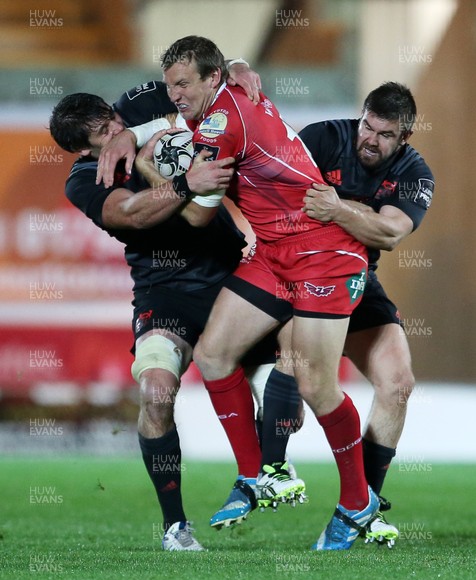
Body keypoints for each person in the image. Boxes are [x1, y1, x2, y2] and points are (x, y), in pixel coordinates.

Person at [48, 70, 300, 551]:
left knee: (290, 371)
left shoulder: (139, 103)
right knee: (157, 393)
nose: (115, 128)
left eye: (111, 117)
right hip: (164, 292)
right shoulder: (84, 180)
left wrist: (238, 66)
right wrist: (187, 182)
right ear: (83, 150)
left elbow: (200, 77)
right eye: (103, 133)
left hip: (232, 273)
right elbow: (130, 213)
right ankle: (176, 526)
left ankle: (272, 467)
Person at [159, 34, 380, 551]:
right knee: (213, 355)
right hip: (275, 251)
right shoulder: (228, 90)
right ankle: (256, 474)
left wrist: (168, 175)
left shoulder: (217, 122)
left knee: (316, 385)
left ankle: (357, 501)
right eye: (170, 85)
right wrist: (238, 63)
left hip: (324, 249)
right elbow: (205, 87)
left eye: (183, 84)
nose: (174, 95)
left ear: (213, 79)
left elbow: (196, 215)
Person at [296, 81, 434, 546]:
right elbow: (275, 195)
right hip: (295, 275)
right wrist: (358, 214)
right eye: (366, 127)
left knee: (398, 386)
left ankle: (359, 507)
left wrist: (335, 209)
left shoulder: (416, 173)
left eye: (384, 134)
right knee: (293, 378)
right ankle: (265, 467)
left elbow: (390, 233)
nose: (369, 140)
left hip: (357, 280)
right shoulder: (321, 138)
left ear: (405, 137)